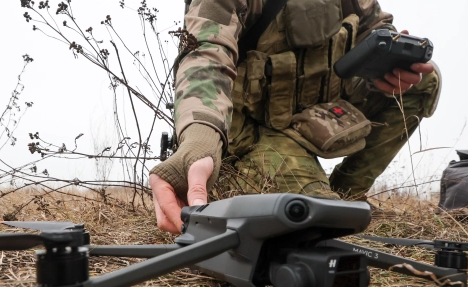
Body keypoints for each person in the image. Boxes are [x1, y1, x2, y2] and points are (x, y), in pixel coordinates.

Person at [150, 0, 441, 234]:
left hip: (313, 108)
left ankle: (349, 193)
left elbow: (372, 25)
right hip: (255, 126)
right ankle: (304, 188)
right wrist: (201, 137)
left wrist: (385, 61)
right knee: (315, 216)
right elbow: (206, 53)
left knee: (425, 81)